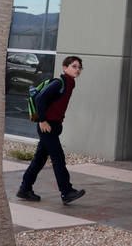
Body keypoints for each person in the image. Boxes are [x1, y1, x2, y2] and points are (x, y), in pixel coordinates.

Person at [16, 55, 86, 205]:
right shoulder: (59, 82)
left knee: (39, 160)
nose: (78, 69)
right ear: (65, 67)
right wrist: (42, 120)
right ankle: (66, 192)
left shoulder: (70, 83)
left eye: (79, 67)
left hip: (53, 125)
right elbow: (40, 98)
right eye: (74, 66)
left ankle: (25, 189)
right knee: (58, 158)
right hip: (47, 126)